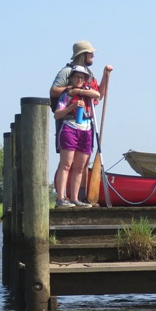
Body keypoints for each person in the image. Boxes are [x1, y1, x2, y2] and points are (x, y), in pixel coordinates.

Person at [53, 66, 101, 207]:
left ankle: (75, 198)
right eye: (77, 77)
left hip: (86, 130)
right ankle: (61, 198)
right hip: (70, 128)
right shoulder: (67, 94)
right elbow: (57, 114)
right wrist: (72, 107)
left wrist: (81, 91)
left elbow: (97, 95)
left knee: (80, 167)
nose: (79, 80)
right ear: (72, 78)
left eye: (82, 77)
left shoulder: (87, 92)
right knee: (66, 164)